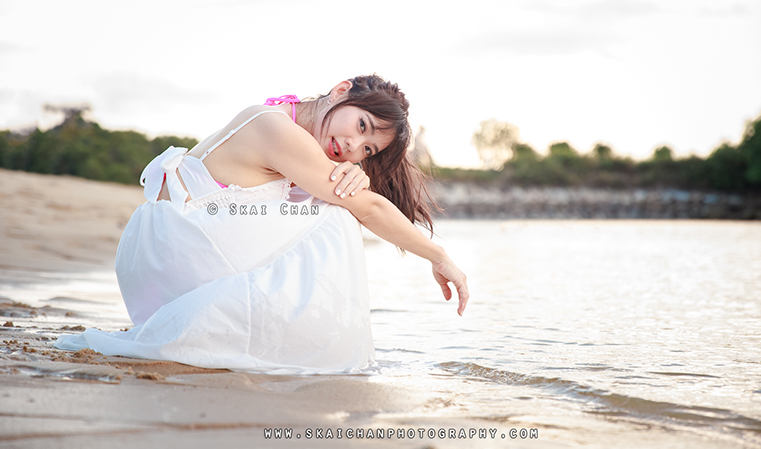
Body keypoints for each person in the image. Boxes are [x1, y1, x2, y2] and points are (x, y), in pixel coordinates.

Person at [55, 74, 469, 373]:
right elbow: (371, 210)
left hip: (158, 259)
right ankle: (319, 353)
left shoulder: (281, 121)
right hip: (173, 256)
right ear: (341, 90)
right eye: (361, 126)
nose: (352, 147)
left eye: (367, 150)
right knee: (341, 214)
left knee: (335, 200)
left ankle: (295, 340)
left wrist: (353, 177)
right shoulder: (277, 129)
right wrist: (438, 255)